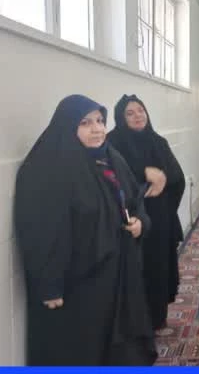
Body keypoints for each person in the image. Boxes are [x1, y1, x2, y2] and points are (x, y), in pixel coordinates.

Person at [13, 95, 157, 366]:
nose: (97, 129)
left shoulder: (111, 159)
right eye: (85, 123)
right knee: (80, 350)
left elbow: (134, 200)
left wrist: (140, 223)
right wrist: (49, 284)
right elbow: (39, 231)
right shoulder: (46, 168)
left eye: (100, 121)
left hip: (114, 276)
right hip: (77, 284)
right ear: (67, 125)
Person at [107, 94, 186, 331]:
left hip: (159, 217)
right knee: (134, 270)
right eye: (129, 113)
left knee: (157, 267)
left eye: (140, 110)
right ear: (121, 118)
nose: (137, 116)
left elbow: (177, 176)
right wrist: (144, 173)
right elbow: (111, 177)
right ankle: (133, 325)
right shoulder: (112, 144)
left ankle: (156, 319)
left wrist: (163, 179)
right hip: (129, 221)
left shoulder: (158, 142)